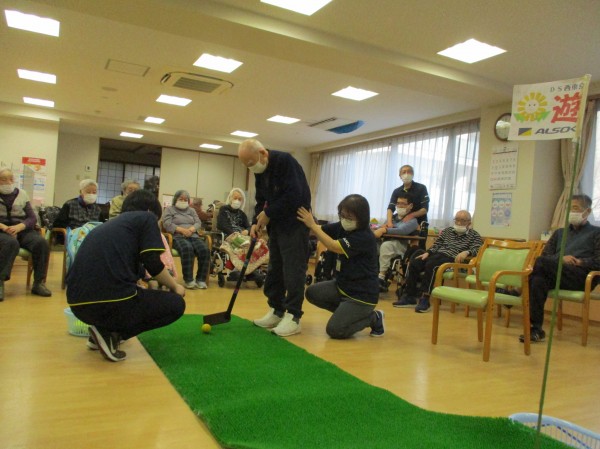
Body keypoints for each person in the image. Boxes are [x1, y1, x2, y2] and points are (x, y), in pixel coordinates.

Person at [66, 189, 186, 362]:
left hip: (78, 305)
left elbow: (138, 268)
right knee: (176, 304)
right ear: (150, 211)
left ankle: (101, 332)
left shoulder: (110, 226)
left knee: (138, 295)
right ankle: (111, 334)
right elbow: (152, 262)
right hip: (111, 302)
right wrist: (175, 286)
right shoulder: (146, 218)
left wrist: (149, 280)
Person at [238, 138, 311, 337]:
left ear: (263, 153)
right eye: (246, 165)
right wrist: (256, 221)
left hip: (295, 223)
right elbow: (261, 200)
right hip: (277, 225)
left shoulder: (285, 162)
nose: (251, 168)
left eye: (251, 163)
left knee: (293, 270)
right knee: (275, 269)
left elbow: (294, 195)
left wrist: (268, 214)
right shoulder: (259, 170)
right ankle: (277, 310)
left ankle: (293, 316)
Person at [298, 194, 384, 338]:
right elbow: (319, 229)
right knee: (312, 293)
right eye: (342, 215)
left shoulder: (364, 237)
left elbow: (333, 246)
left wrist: (312, 225)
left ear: (361, 217)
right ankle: (346, 315)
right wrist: (307, 223)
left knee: (335, 330)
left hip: (362, 296)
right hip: (342, 286)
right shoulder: (342, 226)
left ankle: (373, 318)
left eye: (349, 217)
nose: (344, 220)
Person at [520, 194, 600, 343]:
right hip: (557, 272)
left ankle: (518, 291)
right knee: (537, 280)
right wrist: (561, 258)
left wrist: (580, 261)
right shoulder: (559, 233)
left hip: (581, 276)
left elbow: (598, 261)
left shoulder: (597, 233)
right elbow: (546, 256)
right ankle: (536, 329)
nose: (572, 212)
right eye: (570, 209)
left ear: (588, 211)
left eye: (576, 208)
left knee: (540, 264)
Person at [394, 210, 482, 312]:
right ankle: (410, 296)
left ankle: (425, 298)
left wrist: (467, 252)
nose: (459, 223)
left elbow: (477, 249)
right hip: (437, 254)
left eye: (463, 220)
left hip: (453, 259)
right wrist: (428, 252)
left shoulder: (474, 235)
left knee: (432, 265)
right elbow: (437, 244)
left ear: (469, 223)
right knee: (415, 261)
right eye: (457, 220)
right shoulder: (447, 231)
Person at [0, 168, 51, 300]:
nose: (8, 182)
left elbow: (32, 218)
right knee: (11, 243)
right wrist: (4, 227)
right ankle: (0, 282)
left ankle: (39, 283)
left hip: (22, 229)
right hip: (2, 230)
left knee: (41, 243)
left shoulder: (22, 194)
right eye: (3, 180)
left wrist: (19, 227)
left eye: (11, 179)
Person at [162, 190, 210, 289]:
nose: (183, 201)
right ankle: (189, 280)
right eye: (181, 199)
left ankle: (201, 279)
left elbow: (198, 222)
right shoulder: (169, 209)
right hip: (177, 237)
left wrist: (191, 229)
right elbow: (167, 224)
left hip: (193, 235)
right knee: (187, 248)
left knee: (204, 249)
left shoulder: (192, 211)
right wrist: (182, 230)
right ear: (176, 199)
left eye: (185, 199)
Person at [373, 191, 419, 292]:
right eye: (398, 203)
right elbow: (384, 226)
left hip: (401, 246)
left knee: (386, 245)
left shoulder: (413, 221)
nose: (400, 206)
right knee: (372, 244)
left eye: (403, 204)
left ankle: (381, 277)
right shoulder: (392, 218)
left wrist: (385, 230)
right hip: (387, 243)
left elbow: (402, 230)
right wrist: (381, 227)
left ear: (410, 206)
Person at [217, 187, 252, 282]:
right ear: (230, 198)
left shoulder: (242, 213)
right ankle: (235, 271)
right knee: (242, 244)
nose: (237, 201)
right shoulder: (223, 209)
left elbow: (249, 226)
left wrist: (247, 231)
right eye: (235, 198)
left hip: (241, 236)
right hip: (229, 235)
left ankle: (251, 270)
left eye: (240, 199)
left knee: (254, 244)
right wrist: (234, 234)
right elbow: (221, 225)